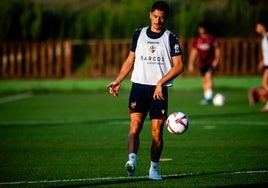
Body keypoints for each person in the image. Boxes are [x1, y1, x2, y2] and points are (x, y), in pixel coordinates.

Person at [107, 1, 184, 180]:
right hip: (138, 87)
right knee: (135, 126)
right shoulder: (138, 34)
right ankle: (132, 162)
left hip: (159, 91)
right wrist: (118, 80)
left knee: (157, 132)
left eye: (162, 18)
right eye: (155, 16)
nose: (157, 20)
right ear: (150, 14)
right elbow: (130, 59)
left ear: (166, 18)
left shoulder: (170, 38)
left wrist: (160, 82)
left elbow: (179, 66)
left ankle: (153, 170)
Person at [187, 22, 220, 105]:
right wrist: (190, 63)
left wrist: (216, 61)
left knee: (208, 77)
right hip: (202, 64)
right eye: (199, 28)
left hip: (210, 62)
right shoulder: (197, 40)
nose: (200, 30)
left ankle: (208, 98)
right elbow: (193, 52)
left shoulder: (211, 39)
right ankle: (206, 98)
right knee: (204, 80)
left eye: (202, 28)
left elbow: (217, 50)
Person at [248, 19, 268, 112]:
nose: (256, 28)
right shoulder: (264, 38)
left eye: (258, 26)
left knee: (264, 83)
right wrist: (263, 61)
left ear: (263, 26)